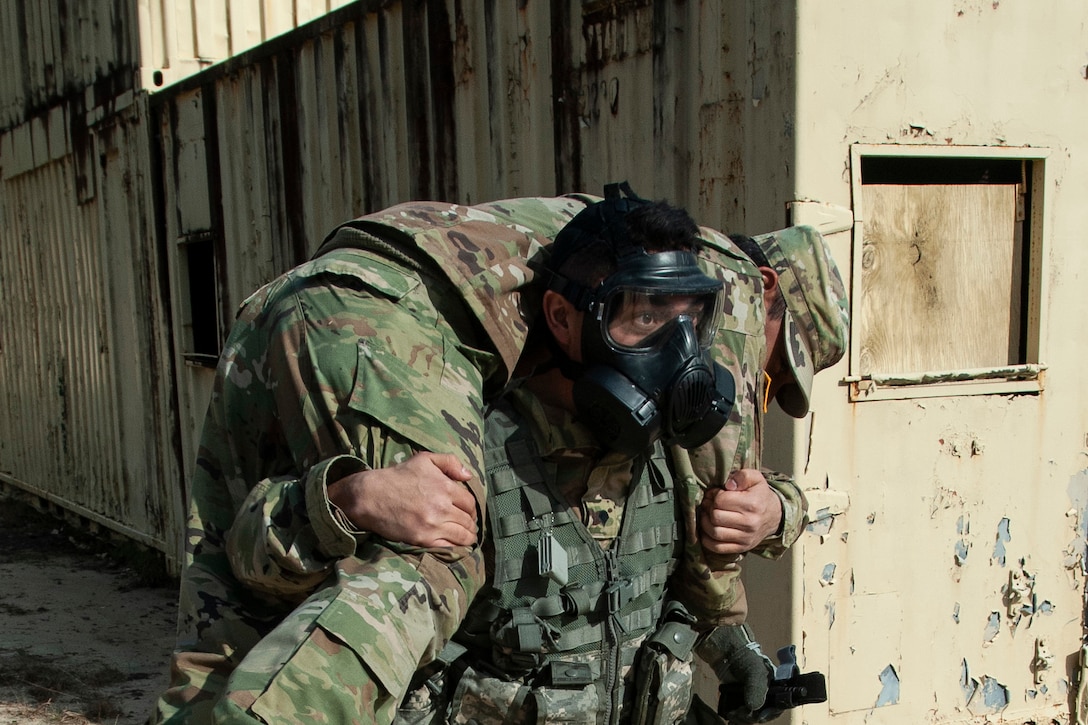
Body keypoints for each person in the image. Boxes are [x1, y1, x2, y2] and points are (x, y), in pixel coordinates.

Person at [210, 185, 787, 725]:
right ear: (564, 317)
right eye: (645, 318)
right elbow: (252, 558)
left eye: (690, 319)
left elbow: (658, 588)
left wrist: (730, 645)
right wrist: (342, 500)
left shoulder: (667, 453)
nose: (678, 350)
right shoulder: (464, 452)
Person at [153, 195, 594, 724]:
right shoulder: (435, 377)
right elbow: (249, 555)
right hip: (377, 306)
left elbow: (239, 549)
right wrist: (347, 500)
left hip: (338, 289)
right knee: (436, 547)